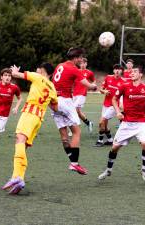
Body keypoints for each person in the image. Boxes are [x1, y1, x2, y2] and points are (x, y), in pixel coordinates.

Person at [1, 63, 58, 194]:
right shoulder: (53, 88)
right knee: (23, 145)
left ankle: (17, 177)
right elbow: (55, 107)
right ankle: (19, 177)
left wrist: (14, 71)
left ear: (42, 70)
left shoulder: (37, 76)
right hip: (38, 119)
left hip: (30, 113)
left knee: (19, 140)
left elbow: (16, 74)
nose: (36, 69)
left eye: (38, 68)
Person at [98, 65, 145, 182]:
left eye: (135, 71)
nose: (132, 73)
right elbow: (114, 99)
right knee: (114, 148)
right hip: (126, 124)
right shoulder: (124, 86)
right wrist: (118, 112)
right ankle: (108, 170)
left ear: (140, 74)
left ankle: (144, 169)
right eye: (131, 72)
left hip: (140, 124)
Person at [52, 47, 97, 175]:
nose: (81, 61)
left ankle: (72, 160)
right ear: (76, 58)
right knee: (77, 132)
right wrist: (94, 86)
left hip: (53, 101)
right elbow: (87, 84)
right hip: (65, 101)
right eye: (81, 58)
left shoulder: (59, 65)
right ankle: (74, 163)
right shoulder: (74, 69)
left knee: (64, 137)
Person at [94, 64, 124, 147]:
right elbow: (101, 89)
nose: (117, 71)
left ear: (121, 71)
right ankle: (110, 140)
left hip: (114, 106)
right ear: (113, 70)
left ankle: (100, 140)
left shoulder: (123, 82)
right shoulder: (108, 77)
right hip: (105, 104)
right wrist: (104, 91)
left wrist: (122, 103)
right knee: (104, 125)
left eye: (119, 69)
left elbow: (124, 95)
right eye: (115, 69)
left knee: (101, 122)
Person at [72, 57, 95, 132]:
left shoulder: (89, 72)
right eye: (81, 63)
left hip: (82, 94)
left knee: (74, 110)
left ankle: (74, 128)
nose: (82, 64)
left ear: (86, 64)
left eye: (84, 63)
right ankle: (88, 123)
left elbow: (93, 80)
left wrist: (92, 85)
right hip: (74, 94)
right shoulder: (76, 71)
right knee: (78, 112)